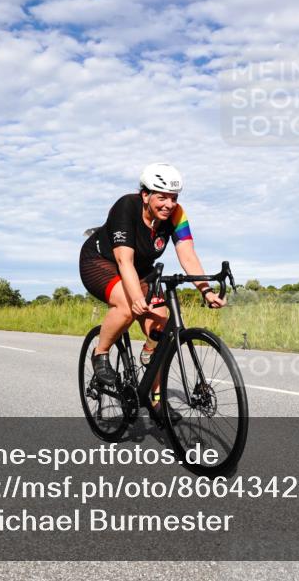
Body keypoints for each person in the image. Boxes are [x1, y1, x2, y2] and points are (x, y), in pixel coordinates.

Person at [79, 163, 226, 418]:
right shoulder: (127, 206)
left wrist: (206, 291)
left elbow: (188, 255)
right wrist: (136, 298)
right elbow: (124, 261)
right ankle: (100, 352)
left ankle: (155, 396)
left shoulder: (178, 215)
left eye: (174, 198)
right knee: (127, 307)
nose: (169, 204)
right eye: (162, 197)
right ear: (145, 195)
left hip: (138, 268)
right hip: (100, 262)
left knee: (162, 321)